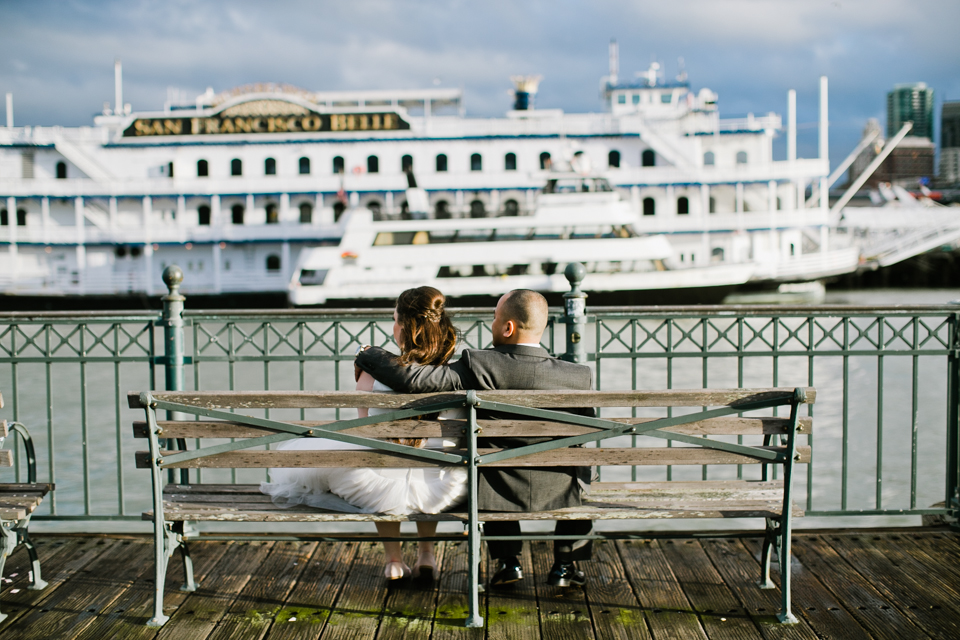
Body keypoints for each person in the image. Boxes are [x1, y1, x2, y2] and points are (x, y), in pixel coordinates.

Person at [355, 289, 594, 588]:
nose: (492, 323)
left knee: (490, 467)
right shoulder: (578, 375)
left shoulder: (480, 365)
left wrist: (368, 353)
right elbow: (587, 436)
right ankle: (564, 565)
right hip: (560, 485)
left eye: (495, 318)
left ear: (508, 328)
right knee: (581, 466)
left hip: (499, 487)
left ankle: (509, 563)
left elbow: (416, 381)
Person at [261, 286, 467, 582]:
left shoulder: (373, 373)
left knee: (376, 465)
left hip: (377, 487)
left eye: (395, 319)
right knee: (429, 466)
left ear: (405, 326)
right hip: (444, 489)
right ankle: (427, 556)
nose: (392, 326)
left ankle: (394, 562)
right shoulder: (452, 374)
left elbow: (364, 436)